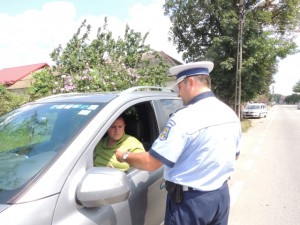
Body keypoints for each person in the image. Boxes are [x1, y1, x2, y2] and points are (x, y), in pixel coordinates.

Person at [115, 61, 241, 225]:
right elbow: (234, 155)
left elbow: (151, 163)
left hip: (191, 203)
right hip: (220, 197)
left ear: (190, 82)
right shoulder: (229, 113)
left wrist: (124, 155)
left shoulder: (184, 118)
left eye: (180, 88)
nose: (178, 94)